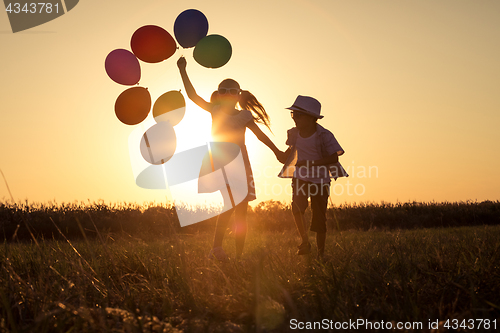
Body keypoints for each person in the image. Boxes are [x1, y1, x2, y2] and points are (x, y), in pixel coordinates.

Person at [177, 56, 285, 261]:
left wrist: (277, 151)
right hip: (220, 162)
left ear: (238, 95)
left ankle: (238, 256)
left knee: (242, 211)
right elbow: (192, 96)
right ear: (218, 94)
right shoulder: (214, 109)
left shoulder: (245, 115)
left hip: (241, 164)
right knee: (229, 204)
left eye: (231, 91)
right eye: (222, 90)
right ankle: (216, 249)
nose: (226, 93)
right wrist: (183, 69)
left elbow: (260, 136)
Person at [278, 95, 348, 259]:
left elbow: (334, 158)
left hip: (320, 180)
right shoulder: (294, 134)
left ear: (312, 118)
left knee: (319, 218)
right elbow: (289, 153)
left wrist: (310, 164)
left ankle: (321, 253)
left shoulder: (324, 135)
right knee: (297, 207)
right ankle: (304, 242)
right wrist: (282, 155)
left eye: (298, 115)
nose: (294, 118)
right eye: (293, 114)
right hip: (300, 177)